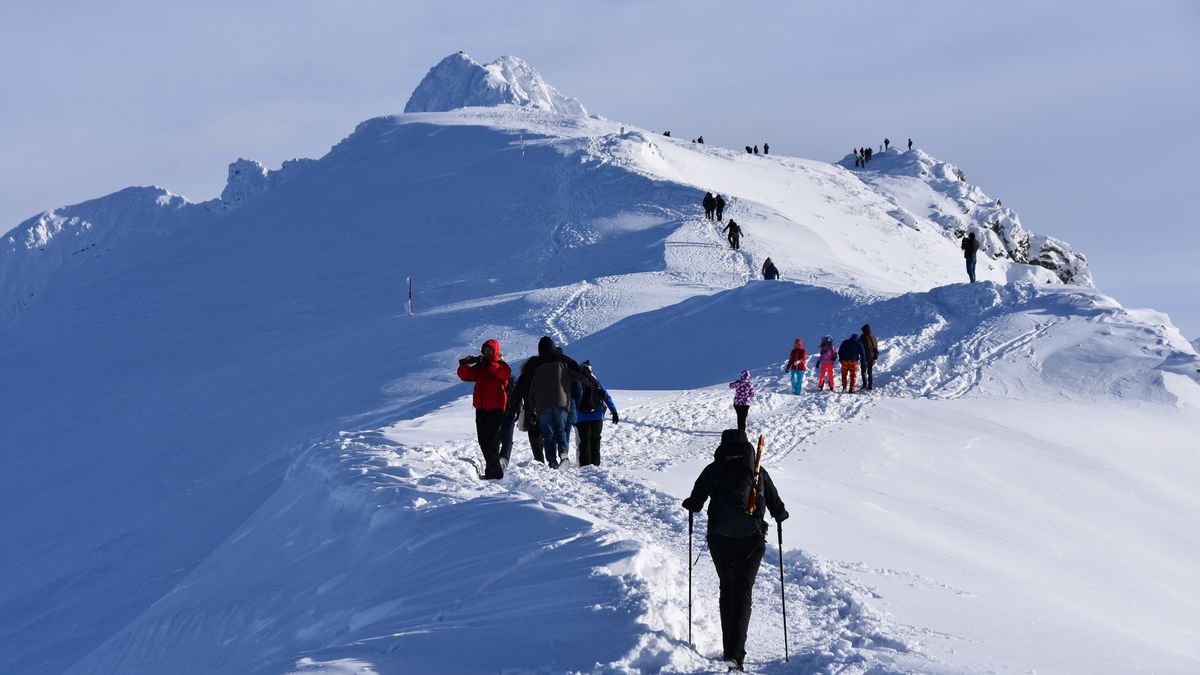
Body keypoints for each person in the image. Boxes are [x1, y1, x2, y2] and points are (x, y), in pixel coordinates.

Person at [681, 429, 788, 672]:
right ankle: (735, 654)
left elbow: (695, 503)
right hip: (752, 540)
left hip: (720, 539)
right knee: (743, 591)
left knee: (727, 588)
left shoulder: (713, 469)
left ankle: (728, 648)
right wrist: (781, 515)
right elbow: (777, 507)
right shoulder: (758, 471)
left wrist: (690, 504)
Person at [511, 336, 597, 468]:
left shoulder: (535, 366)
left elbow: (530, 388)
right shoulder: (563, 362)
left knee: (547, 433)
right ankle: (563, 453)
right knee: (561, 429)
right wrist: (595, 386)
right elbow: (579, 380)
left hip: (542, 405)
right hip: (562, 403)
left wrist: (530, 407)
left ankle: (551, 461)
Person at [457, 339, 512, 479]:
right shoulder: (481, 366)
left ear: (495, 351)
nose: (487, 352)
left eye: (490, 350)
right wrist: (464, 364)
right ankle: (492, 468)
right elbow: (465, 375)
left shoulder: (502, 365)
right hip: (481, 408)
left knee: (492, 440)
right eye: (485, 350)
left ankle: (495, 470)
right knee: (482, 440)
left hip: (496, 408)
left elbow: (504, 375)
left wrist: (490, 364)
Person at [572, 359, 620, 466]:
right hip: (597, 417)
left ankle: (585, 468)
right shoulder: (596, 382)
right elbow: (607, 397)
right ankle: (596, 466)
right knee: (595, 442)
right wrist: (614, 412)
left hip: (581, 418)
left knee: (584, 443)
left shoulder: (576, 382)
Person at [509, 357, 544, 462]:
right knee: (545, 434)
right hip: (545, 409)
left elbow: (516, 395)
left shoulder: (524, 377)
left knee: (534, 436)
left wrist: (514, 410)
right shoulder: (544, 375)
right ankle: (551, 459)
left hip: (530, 410)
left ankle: (539, 459)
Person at [859, 324, 879, 391]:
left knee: (863, 371)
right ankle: (870, 386)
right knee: (870, 371)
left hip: (865, 356)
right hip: (872, 356)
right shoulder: (874, 337)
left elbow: (858, 344)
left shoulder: (863, 336)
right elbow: (876, 347)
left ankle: (865, 384)